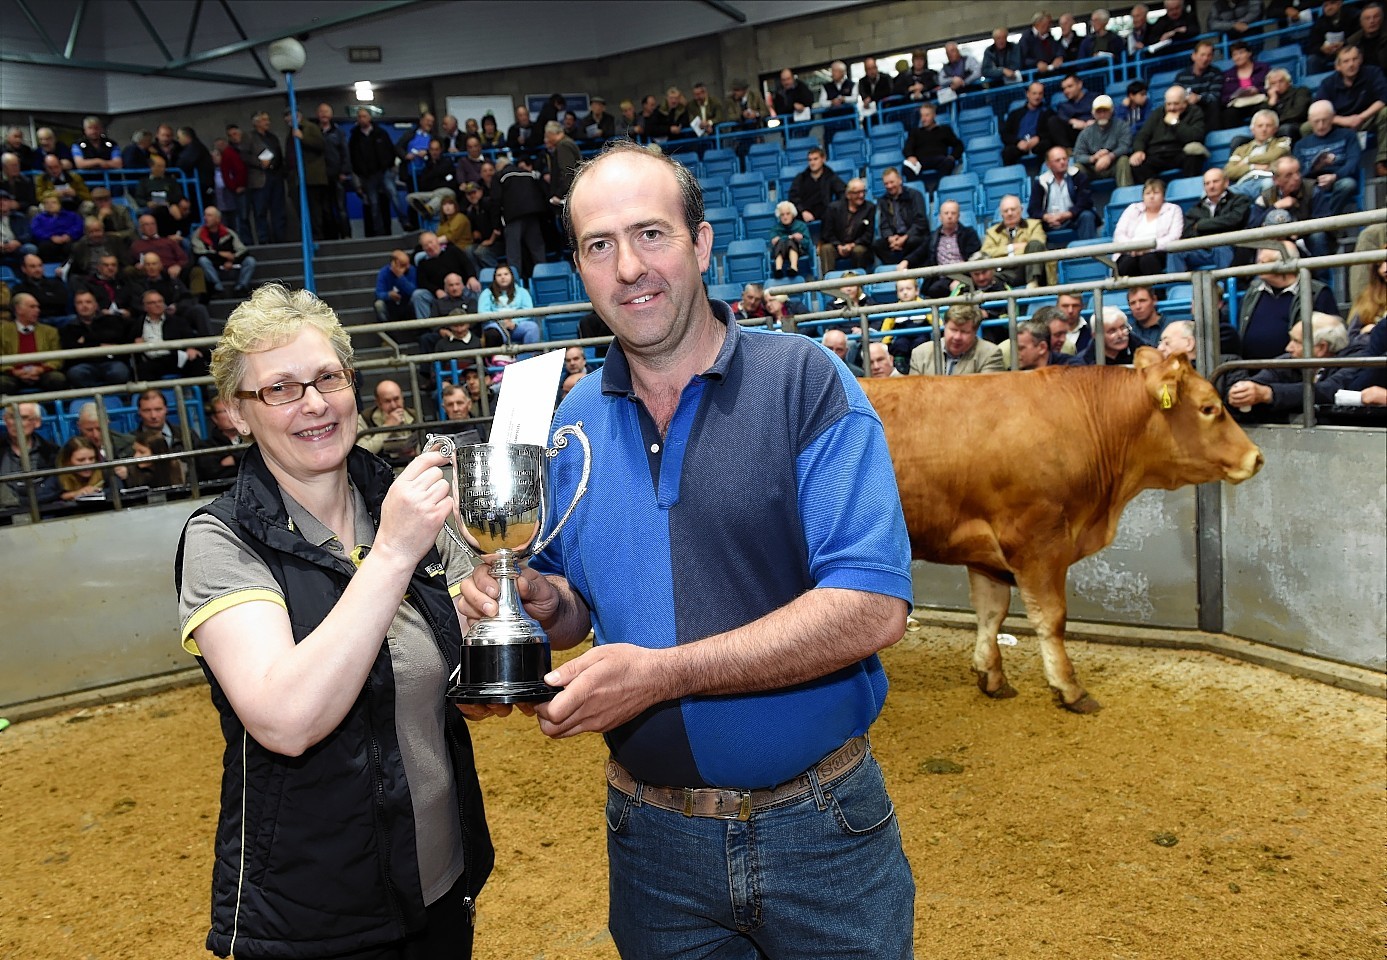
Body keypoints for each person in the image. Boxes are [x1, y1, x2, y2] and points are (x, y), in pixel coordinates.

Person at [457, 139, 915, 959]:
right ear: (579, 268)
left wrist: (663, 674)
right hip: (651, 846)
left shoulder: (805, 383)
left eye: (651, 234)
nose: (628, 266)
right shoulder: (568, 426)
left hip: (820, 829)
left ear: (701, 245)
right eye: (600, 245)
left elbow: (872, 607)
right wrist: (535, 605)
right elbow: (569, 609)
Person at [175, 285, 493, 957]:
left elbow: (449, 680)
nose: (315, 404)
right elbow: (286, 720)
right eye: (281, 389)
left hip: (439, 889)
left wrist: (497, 621)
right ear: (235, 414)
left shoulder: (396, 502)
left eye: (327, 378)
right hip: (315, 921)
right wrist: (394, 553)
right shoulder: (221, 539)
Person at [1226, 313, 1363, 415]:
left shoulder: (1354, 359)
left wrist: (1269, 394)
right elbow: (1261, 381)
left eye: (1296, 342)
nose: (1288, 347)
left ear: (1321, 348)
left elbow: (1330, 390)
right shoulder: (1289, 360)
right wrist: (1243, 391)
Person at [1237, 243, 1339, 359]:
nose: (1257, 267)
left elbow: (1331, 340)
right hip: (1249, 370)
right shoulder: (1253, 291)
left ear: (1284, 265)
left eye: (1263, 263)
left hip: (1297, 371)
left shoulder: (1317, 293)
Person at [1166, 168, 1251, 274]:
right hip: (1202, 250)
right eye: (1207, 183)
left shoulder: (1240, 200)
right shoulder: (1195, 209)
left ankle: (1228, 289)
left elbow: (1234, 221)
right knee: (1174, 251)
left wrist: (1201, 225)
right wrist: (1219, 226)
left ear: (1226, 183)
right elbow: (1188, 232)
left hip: (1229, 248)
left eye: (1215, 181)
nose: (1211, 186)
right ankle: (1176, 289)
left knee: (1221, 248)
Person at [1127, 85, 1208, 183]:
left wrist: (1175, 123)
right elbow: (1142, 135)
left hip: (1180, 151)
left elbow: (1195, 136)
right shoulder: (1157, 113)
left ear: (1185, 102)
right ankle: (1156, 192)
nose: (1172, 108)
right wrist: (1139, 151)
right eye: (1168, 104)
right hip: (1157, 154)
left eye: (1176, 104)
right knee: (1136, 164)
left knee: (1195, 156)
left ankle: (1188, 188)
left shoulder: (1195, 112)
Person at [1111, 178, 1183, 277]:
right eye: (1148, 193)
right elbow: (1119, 234)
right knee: (1127, 263)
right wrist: (1133, 247)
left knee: (1147, 260)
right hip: (1131, 252)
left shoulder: (1173, 209)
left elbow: (1174, 236)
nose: (1151, 197)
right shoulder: (1133, 209)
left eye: (1156, 193)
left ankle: (1157, 292)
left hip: (1158, 251)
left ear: (1163, 195)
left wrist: (1149, 248)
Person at [61, 288, 133, 387]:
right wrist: (99, 344)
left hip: (112, 362)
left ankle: (112, 400)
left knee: (119, 372)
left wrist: (86, 340)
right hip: (84, 364)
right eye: (79, 303)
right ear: (75, 306)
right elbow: (71, 351)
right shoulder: (69, 328)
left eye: (88, 302)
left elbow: (116, 338)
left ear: (95, 305)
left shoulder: (111, 321)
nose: (84, 306)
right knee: (76, 374)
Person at [909, 303, 1005, 376]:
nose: (957, 337)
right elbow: (914, 395)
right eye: (953, 330)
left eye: (964, 332)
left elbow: (989, 395)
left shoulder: (990, 354)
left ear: (975, 331)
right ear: (944, 326)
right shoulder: (920, 353)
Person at [1028, 146, 1098, 243]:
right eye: (1057, 160)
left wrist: (1068, 214)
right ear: (1048, 164)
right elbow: (1033, 209)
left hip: (1073, 218)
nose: (1062, 162)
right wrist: (1046, 217)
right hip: (1049, 222)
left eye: (1065, 159)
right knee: (1032, 224)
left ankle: (1090, 253)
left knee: (1087, 215)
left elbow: (1086, 202)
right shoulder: (1040, 182)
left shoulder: (1078, 176)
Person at [1, 293, 66, 393]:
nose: (37, 310)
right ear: (18, 309)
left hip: (42, 372)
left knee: (57, 379)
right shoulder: (3, 331)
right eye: (32, 307)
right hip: (12, 374)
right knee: (3, 382)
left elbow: (57, 359)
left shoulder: (50, 331)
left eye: (37, 307)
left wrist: (40, 369)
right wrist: (15, 372)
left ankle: (53, 408)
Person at [0, 402, 60, 508]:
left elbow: (54, 489)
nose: (17, 423)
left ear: (37, 422)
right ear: (5, 420)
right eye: (12, 417)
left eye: (24, 418)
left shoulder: (52, 452)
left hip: (46, 510)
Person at [981, 195, 1048, 287]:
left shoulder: (1034, 225)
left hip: (1027, 268)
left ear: (1021, 209)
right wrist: (1011, 248)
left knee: (1034, 245)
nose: (1009, 213)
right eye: (1006, 211)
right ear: (1001, 214)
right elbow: (985, 253)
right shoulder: (992, 232)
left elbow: (1038, 245)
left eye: (1013, 209)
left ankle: (1033, 285)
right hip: (1004, 272)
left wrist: (1002, 254)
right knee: (989, 278)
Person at [192, 206, 257, 297]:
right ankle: (218, 288)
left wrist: (231, 260)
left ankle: (241, 288)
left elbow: (243, 250)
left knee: (250, 261)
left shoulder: (229, 233)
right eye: (205, 215)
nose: (205, 218)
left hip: (232, 266)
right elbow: (199, 252)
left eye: (209, 215)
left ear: (217, 219)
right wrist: (220, 255)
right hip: (213, 268)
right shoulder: (198, 234)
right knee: (203, 260)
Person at [1225, 109, 1293, 197]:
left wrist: (1247, 160)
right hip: (1244, 183)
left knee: (1269, 185)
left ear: (1275, 129)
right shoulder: (1241, 149)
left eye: (1268, 125)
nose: (1264, 129)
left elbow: (1273, 157)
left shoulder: (1282, 142)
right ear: (1252, 129)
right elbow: (1229, 171)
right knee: (1221, 194)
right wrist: (1253, 167)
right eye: (1260, 126)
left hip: (1269, 179)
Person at [816, 178, 876, 273]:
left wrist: (852, 245)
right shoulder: (834, 208)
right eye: (857, 193)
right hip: (837, 245)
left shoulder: (869, 208)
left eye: (863, 192)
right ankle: (829, 283)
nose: (861, 195)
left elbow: (868, 235)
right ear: (848, 194)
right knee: (826, 249)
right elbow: (827, 233)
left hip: (857, 245)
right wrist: (838, 245)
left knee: (859, 251)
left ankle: (859, 282)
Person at [871, 168, 927, 267]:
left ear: (900, 180)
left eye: (892, 182)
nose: (889, 186)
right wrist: (890, 238)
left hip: (912, 235)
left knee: (913, 241)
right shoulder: (883, 201)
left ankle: (908, 266)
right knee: (877, 245)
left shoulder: (914, 195)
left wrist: (905, 238)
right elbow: (884, 225)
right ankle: (895, 269)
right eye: (886, 184)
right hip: (895, 237)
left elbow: (921, 222)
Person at [1073, 95, 1133, 185]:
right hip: (1093, 168)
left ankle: (1125, 195)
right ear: (1093, 113)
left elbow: (1125, 146)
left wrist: (1110, 156)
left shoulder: (1122, 126)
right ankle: (1080, 198)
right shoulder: (1086, 132)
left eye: (1105, 111)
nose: (1102, 115)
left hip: (1114, 165)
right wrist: (1093, 158)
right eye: (1098, 112)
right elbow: (1077, 155)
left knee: (1124, 160)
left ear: (1111, 111)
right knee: (1076, 168)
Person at [1002, 82, 1057, 165]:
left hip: (1039, 144)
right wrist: (1018, 142)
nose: (1037, 96)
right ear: (1028, 94)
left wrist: (1038, 138)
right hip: (1019, 146)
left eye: (1040, 93)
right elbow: (1005, 134)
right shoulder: (1015, 114)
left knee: (1047, 145)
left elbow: (1052, 132)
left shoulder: (1049, 112)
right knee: (1007, 152)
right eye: (1034, 93)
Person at [787, 146, 846, 225]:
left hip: (825, 214)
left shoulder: (830, 176)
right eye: (810, 160)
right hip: (804, 214)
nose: (812, 163)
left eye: (815, 159)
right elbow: (793, 196)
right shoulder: (801, 177)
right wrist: (803, 211)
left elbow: (843, 192)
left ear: (823, 159)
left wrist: (834, 209)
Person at [1220, 41, 1271, 131]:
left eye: (1241, 53)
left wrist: (1258, 90)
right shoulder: (1227, 75)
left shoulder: (1263, 68)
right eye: (1234, 54)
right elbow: (1224, 97)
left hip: (1258, 101)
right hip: (1238, 104)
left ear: (1249, 53)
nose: (1238, 57)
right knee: (1229, 113)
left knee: (1265, 108)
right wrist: (1234, 95)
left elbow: (1271, 86)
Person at [902, 103, 963, 179]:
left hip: (940, 160)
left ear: (934, 115)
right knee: (907, 167)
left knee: (948, 163)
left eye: (927, 115)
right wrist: (910, 156)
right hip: (920, 162)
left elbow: (958, 145)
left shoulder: (944, 130)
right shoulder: (915, 132)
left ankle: (942, 187)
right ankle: (919, 189)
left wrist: (952, 156)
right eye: (922, 116)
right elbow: (907, 148)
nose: (923, 119)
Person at [56, 436, 106, 501]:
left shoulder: (105, 472)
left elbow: (118, 489)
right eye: (81, 460)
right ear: (67, 461)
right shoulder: (57, 478)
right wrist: (74, 494)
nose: (88, 463)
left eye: (91, 458)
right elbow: (43, 498)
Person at [374, 249, 416, 323]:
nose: (408, 267)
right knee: (379, 304)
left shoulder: (412, 270)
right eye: (403, 265)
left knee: (417, 297)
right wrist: (388, 295)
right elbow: (378, 293)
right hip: (391, 305)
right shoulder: (384, 272)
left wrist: (400, 277)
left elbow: (413, 291)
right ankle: (386, 328)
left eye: (408, 263)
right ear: (394, 264)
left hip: (407, 303)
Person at [770, 200, 806, 278]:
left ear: (792, 214)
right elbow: (772, 244)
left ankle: (794, 267)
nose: (785, 217)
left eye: (788, 214)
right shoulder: (775, 228)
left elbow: (807, 243)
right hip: (780, 250)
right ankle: (778, 269)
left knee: (790, 242)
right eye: (782, 215)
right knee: (780, 243)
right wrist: (788, 237)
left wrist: (800, 240)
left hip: (799, 251)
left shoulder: (801, 226)